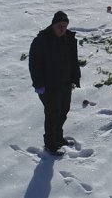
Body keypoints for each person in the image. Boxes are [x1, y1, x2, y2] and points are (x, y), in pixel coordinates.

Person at [29, 11, 81, 156]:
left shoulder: (69, 39)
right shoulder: (41, 41)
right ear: (53, 25)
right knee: (53, 113)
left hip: (65, 83)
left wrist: (73, 79)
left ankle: (58, 137)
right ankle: (50, 144)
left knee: (64, 110)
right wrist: (39, 84)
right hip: (48, 86)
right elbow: (34, 64)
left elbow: (73, 61)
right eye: (59, 26)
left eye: (65, 26)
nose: (62, 29)